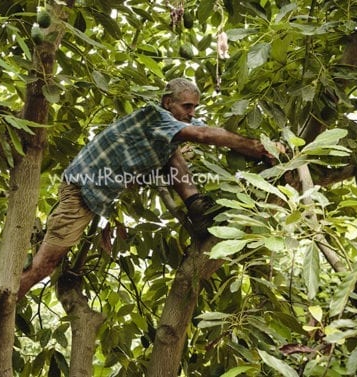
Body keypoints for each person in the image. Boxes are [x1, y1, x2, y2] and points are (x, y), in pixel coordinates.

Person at [18, 78, 276, 297]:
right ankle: (9, 298)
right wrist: (257, 147)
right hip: (81, 191)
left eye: (195, 107)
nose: (192, 112)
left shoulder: (171, 130)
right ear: (167, 103)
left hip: (90, 193)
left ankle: (196, 207)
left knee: (172, 150)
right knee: (46, 264)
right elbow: (205, 135)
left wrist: (260, 151)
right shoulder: (155, 116)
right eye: (187, 106)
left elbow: (205, 131)